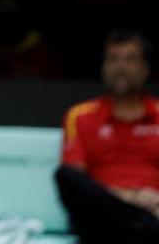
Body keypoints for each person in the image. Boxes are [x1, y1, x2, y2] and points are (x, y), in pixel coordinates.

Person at [56, 29, 159, 243]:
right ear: (104, 67)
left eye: (130, 59)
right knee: (66, 176)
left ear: (145, 68)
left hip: (153, 211)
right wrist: (127, 197)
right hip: (100, 218)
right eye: (113, 59)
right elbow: (75, 181)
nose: (120, 67)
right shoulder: (80, 116)